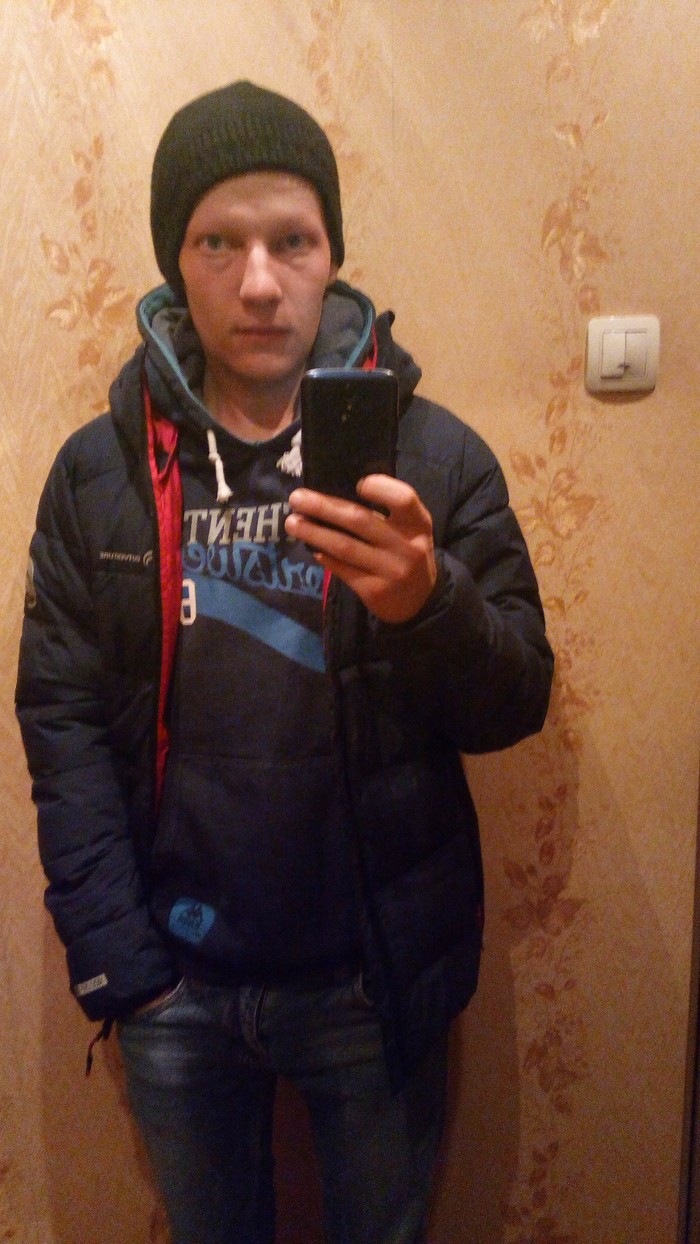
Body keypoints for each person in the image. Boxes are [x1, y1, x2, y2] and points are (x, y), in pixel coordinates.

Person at [16, 81, 554, 1244]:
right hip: (173, 988)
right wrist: (122, 966)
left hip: (371, 980)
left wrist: (427, 604)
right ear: (176, 261)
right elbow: (61, 720)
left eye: (292, 241)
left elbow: (515, 699)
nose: (259, 282)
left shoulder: (433, 457)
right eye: (219, 242)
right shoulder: (98, 474)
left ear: (331, 256)